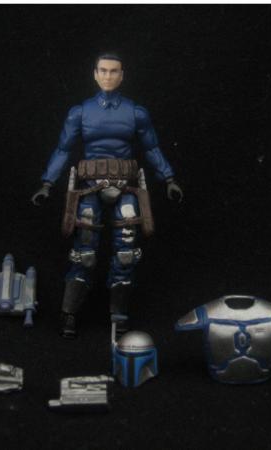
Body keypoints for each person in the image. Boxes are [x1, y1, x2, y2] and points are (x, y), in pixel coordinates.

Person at [32, 52, 183, 338]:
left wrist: (168, 178)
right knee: (84, 252)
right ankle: (69, 314)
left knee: (126, 252)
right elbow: (63, 149)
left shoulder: (136, 112)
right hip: (89, 187)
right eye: (103, 70)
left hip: (125, 187)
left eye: (114, 71)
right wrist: (47, 183)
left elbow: (152, 148)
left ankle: (119, 314)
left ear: (122, 75)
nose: (108, 76)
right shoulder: (80, 112)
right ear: (95, 74)